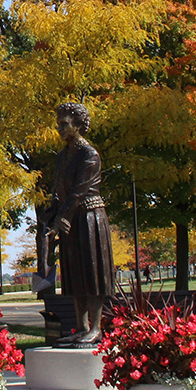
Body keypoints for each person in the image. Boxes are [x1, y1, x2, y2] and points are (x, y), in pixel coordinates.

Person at [48, 102, 116, 346]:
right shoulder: (62, 157)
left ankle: (96, 328)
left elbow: (78, 193)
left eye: (64, 124)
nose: (60, 128)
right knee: (74, 274)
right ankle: (82, 326)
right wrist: (53, 214)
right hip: (70, 221)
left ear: (78, 125)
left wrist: (60, 219)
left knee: (91, 273)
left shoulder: (90, 155)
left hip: (89, 219)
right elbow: (58, 191)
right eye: (59, 124)